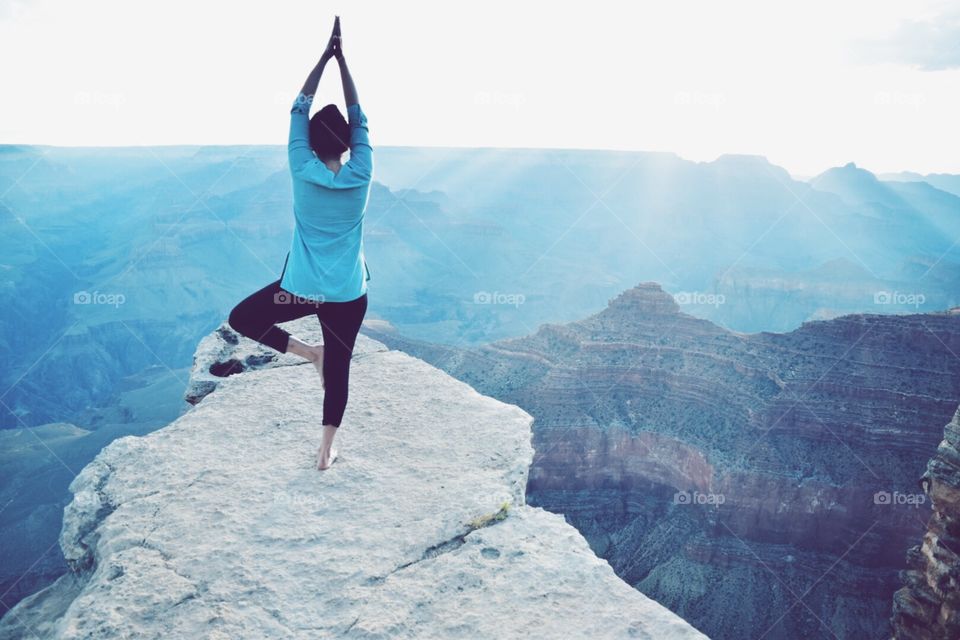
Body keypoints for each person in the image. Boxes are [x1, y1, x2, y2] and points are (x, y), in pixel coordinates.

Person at [227, 16, 372, 471]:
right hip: (348, 293)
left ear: (308, 143)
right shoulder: (362, 172)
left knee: (243, 317)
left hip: (301, 289)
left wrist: (324, 58)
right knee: (342, 368)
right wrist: (344, 63)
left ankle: (309, 353)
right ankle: (327, 448)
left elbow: (297, 109)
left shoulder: (299, 167)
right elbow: (359, 116)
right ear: (348, 146)